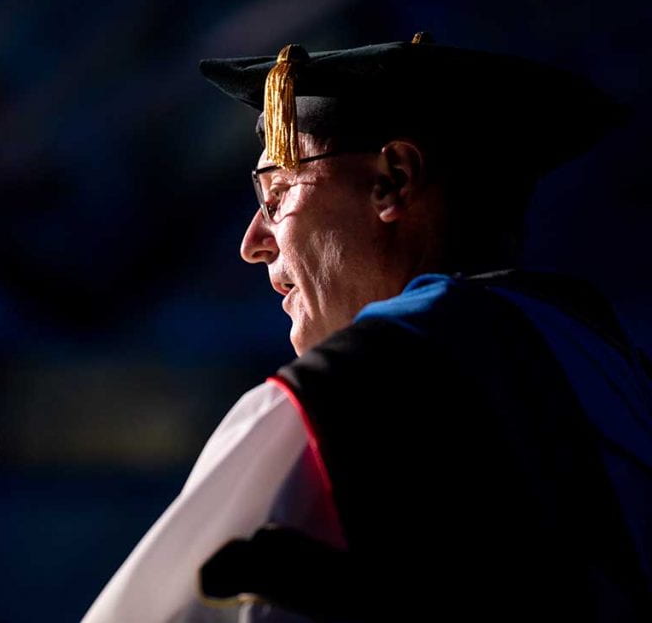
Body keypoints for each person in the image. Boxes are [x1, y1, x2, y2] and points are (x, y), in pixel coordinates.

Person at [82, 34, 651, 622]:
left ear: (393, 182)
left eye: (277, 195)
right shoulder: (622, 378)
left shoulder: (349, 395)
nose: (252, 243)